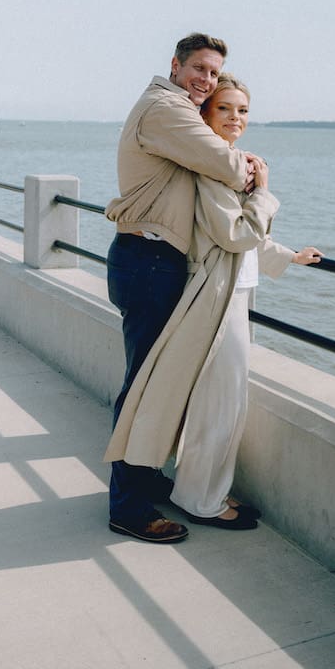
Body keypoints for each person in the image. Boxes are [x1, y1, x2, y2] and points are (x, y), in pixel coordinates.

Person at [105, 73, 322, 530]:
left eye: (242, 110)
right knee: (218, 404)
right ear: (204, 115)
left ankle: (193, 491)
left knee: (214, 402)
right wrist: (264, 195)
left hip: (233, 297)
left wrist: (288, 256)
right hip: (215, 302)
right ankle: (202, 500)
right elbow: (234, 233)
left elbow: (246, 242)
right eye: (224, 109)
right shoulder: (212, 166)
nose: (235, 118)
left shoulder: (227, 164)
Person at [104, 34, 258, 544]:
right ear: (175, 65)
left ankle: (143, 482)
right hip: (148, 261)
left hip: (155, 261)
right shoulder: (167, 109)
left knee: (153, 382)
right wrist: (258, 170)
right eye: (199, 69)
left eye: (213, 74)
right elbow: (228, 165)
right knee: (144, 388)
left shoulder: (173, 110)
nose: (205, 80)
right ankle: (127, 506)